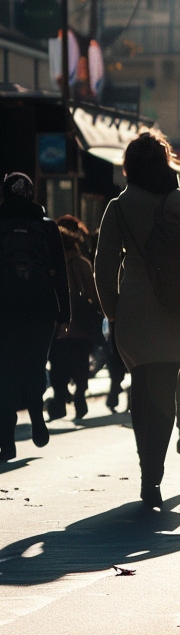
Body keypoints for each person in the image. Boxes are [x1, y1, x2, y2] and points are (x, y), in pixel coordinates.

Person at [94, 130, 180, 509]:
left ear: (128, 165)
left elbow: (104, 265)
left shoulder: (120, 207)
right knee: (166, 385)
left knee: (143, 387)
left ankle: (149, 469)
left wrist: (113, 311)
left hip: (136, 310)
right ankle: (154, 473)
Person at [0, 172, 70, 461]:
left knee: (4, 370)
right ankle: (36, 415)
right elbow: (60, 273)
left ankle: (6, 439)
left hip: (4, 308)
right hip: (41, 308)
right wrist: (65, 315)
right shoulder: (47, 227)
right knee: (34, 364)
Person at [48, 216, 102, 422]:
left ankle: (60, 398)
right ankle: (80, 394)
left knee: (58, 363)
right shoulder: (83, 263)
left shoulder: (51, 264)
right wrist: (99, 311)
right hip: (81, 322)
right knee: (80, 361)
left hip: (59, 321)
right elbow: (93, 293)